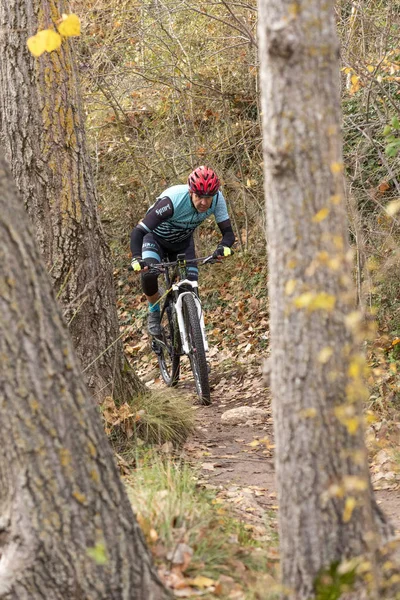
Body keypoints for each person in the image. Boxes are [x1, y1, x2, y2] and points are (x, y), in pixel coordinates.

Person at [130, 165, 235, 336]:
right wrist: (136, 258)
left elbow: (228, 234)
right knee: (149, 274)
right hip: (155, 240)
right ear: (190, 192)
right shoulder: (173, 201)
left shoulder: (217, 200)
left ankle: (195, 340)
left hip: (182, 244)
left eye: (208, 198)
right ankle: (154, 311)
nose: (204, 202)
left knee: (191, 285)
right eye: (200, 196)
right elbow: (139, 231)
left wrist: (223, 248)